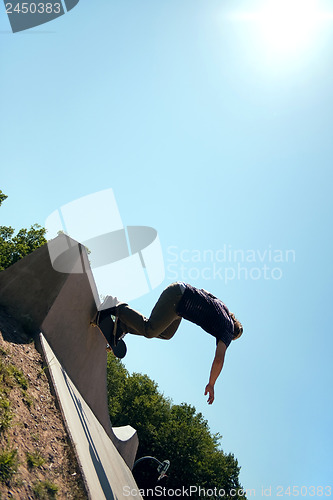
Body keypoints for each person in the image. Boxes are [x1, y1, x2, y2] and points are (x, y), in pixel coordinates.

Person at [97, 282, 243, 404]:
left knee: (166, 334)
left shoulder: (223, 308)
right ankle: (116, 306)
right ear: (233, 334)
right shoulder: (228, 330)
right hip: (178, 298)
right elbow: (219, 360)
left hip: (181, 298)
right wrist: (211, 384)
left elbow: (204, 292)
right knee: (150, 330)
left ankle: (124, 325)